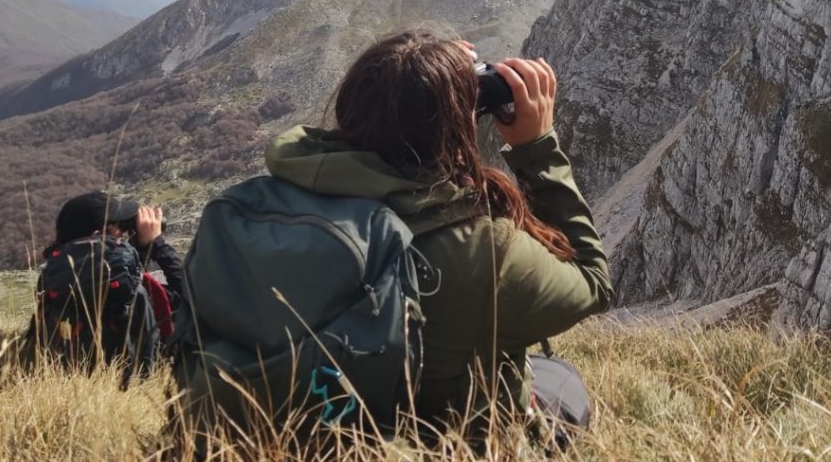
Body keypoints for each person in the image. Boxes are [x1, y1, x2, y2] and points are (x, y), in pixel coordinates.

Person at [262, 28, 613, 438]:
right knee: (561, 382)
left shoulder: (276, 198)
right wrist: (537, 147)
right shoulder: (483, 247)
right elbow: (593, 283)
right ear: (452, 130)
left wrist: (417, 72)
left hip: (290, 432)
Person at [47, 192, 184, 314]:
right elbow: (192, 297)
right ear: (98, 238)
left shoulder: (51, 281)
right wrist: (156, 244)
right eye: (121, 226)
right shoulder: (120, 287)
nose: (124, 232)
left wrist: (137, 249)